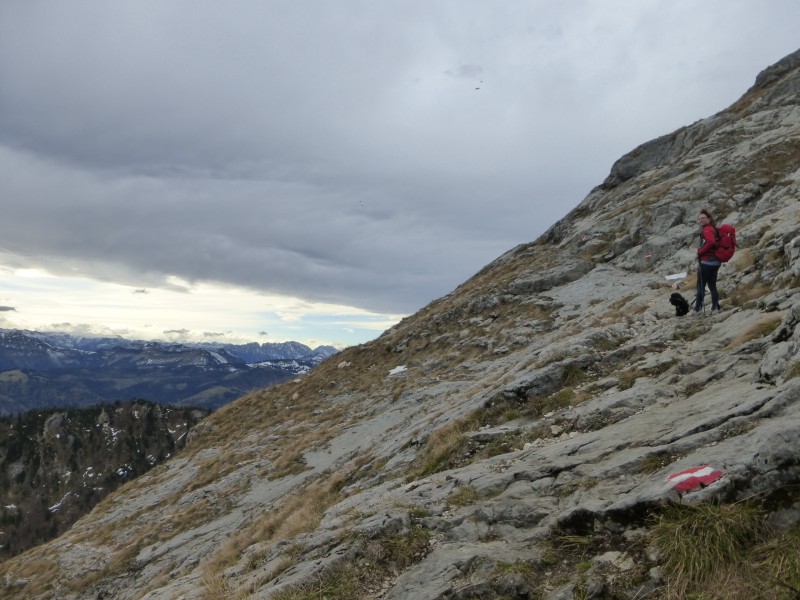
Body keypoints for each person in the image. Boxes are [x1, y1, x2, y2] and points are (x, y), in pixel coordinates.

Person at [693, 209, 721, 314]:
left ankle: (697, 309)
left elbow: (710, 242)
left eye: (703, 218)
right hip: (716, 262)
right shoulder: (713, 228)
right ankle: (715, 307)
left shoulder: (707, 230)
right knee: (712, 285)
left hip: (706, 262)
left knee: (701, 285)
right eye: (699, 218)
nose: (701, 220)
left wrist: (700, 252)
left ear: (709, 218)